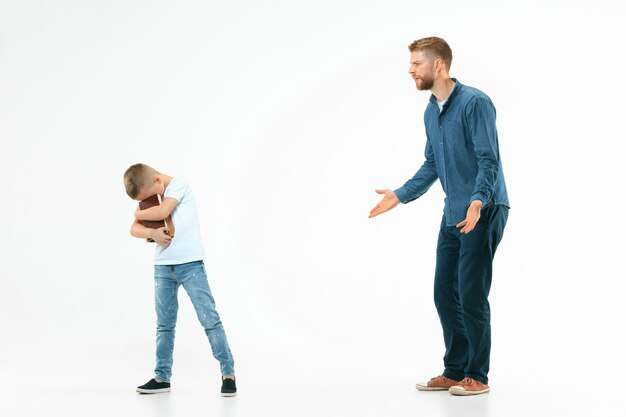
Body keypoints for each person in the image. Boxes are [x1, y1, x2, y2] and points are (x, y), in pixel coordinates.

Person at [369, 37, 509, 396]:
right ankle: (455, 369)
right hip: (454, 213)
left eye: (416, 63)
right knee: (444, 292)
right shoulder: (432, 111)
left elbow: (488, 160)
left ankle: (478, 376)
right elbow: (433, 163)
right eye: (411, 63)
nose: (410, 70)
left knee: (471, 294)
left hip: (485, 209)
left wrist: (478, 201)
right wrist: (400, 195)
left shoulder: (475, 103)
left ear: (438, 66)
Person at [123, 163, 236, 396]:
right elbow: (134, 229)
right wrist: (151, 232)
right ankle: (162, 377)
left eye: (149, 196)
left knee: (210, 319)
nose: (148, 200)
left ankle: (228, 372)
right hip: (163, 268)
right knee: (164, 325)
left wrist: (138, 213)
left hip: (190, 264)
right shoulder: (152, 194)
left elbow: (162, 213)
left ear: (156, 180)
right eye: (144, 200)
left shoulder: (179, 184)